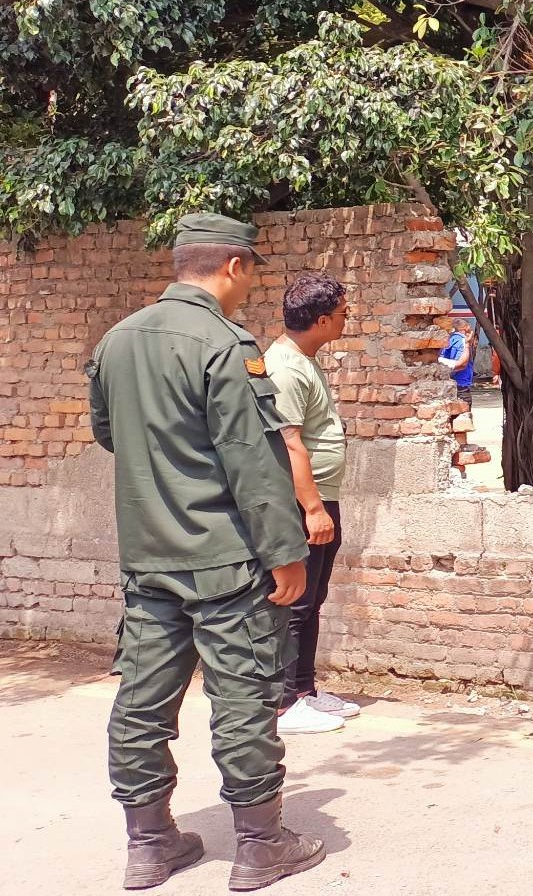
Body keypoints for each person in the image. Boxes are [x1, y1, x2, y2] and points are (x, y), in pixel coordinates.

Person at [87, 213, 326, 892]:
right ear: (232, 266)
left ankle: (149, 843)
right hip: (224, 559)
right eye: (249, 273)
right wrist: (286, 550)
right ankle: (259, 844)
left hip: (148, 555)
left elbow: (109, 433)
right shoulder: (225, 344)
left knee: (141, 699)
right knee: (243, 695)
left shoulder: (117, 339)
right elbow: (252, 459)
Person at [264, 273, 358, 738]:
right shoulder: (283, 366)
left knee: (312, 598)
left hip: (321, 497)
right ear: (321, 319)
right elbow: (288, 442)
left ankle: (305, 690)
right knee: (296, 602)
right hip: (305, 503)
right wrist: (312, 508)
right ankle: (284, 702)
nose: (347, 321)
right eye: (342, 315)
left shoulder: (302, 360)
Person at [439, 316, 475, 405]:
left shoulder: (447, 340)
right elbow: (462, 364)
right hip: (461, 384)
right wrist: (467, 344)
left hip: (448, 383)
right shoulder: (463, 341)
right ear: (466, 327)